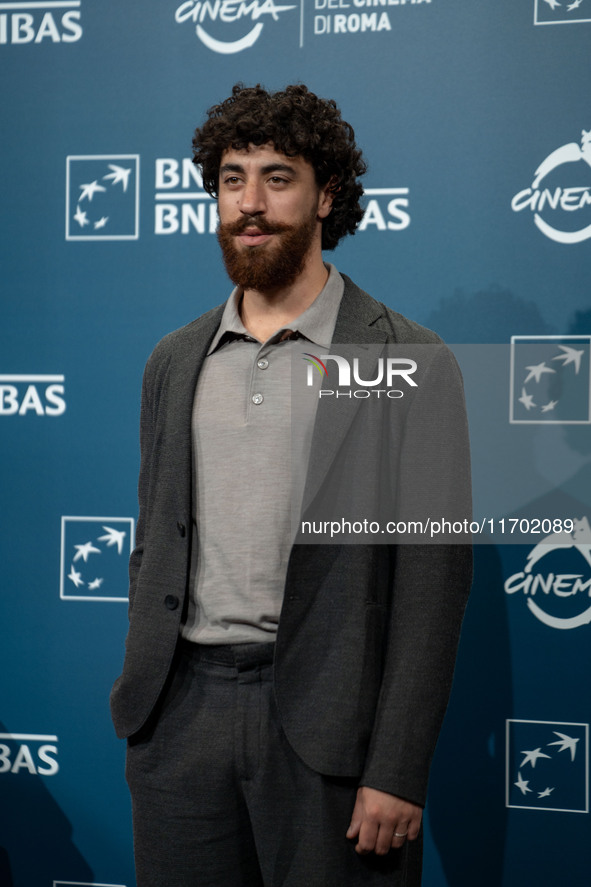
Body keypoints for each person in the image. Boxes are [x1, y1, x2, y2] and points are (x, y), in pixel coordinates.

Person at [110, 83, 472, 887]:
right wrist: (150, 712)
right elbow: (155, 540)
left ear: (325, 196)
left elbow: (431, 585)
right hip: (179, 723)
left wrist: (398, 765)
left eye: (277, 178)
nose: (250, 202)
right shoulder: (174, 360)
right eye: (232, 178)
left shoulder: (409, 358)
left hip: (330, 733)